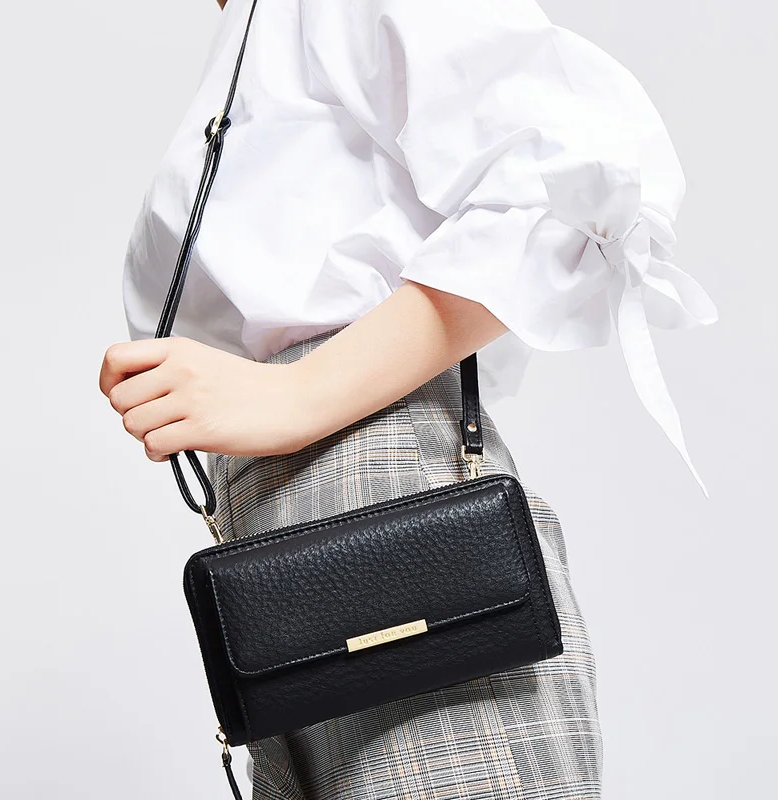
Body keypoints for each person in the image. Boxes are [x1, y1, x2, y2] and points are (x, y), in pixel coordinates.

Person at [99, 1, 717, 798]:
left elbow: (572, 173)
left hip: (383, 508)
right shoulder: (252, 31)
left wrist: (299, 393)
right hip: (274, 585)